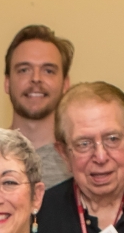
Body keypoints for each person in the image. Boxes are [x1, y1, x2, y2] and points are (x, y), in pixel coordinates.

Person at [31, 83, 124, 233]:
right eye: (84, 143)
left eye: (112, 139)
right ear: (63, 153)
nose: (100, 157)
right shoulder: (39, 215)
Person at [4, 25, 73, 190]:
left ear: (65, 84)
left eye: (48, 71)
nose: (36, 78)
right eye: (24, 70)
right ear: (7, 82)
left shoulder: (80, 161)